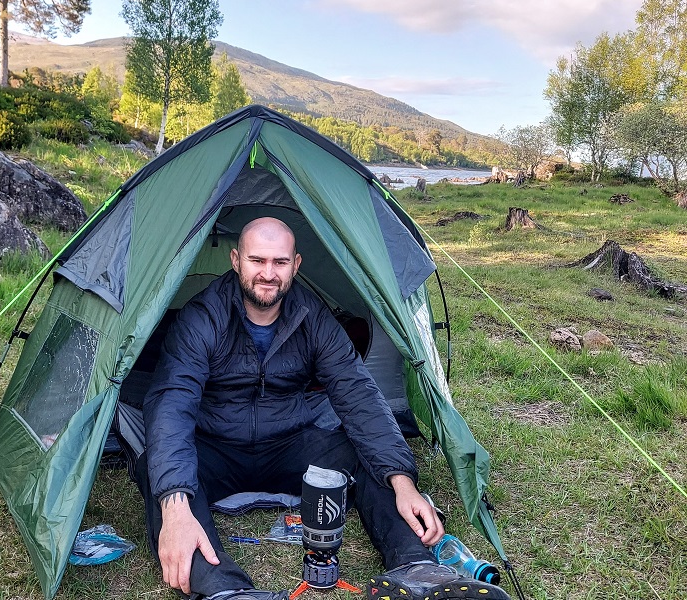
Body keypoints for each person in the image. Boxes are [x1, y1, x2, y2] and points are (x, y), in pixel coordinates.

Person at [137, 217, 510, 600]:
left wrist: (402, 480)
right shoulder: (202, 317)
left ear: (296, 265)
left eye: (280, 262)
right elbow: (172, 402)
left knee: (368, 457)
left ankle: (418, 570)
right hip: (216, 446)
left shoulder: (313, 317)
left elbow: (357, 393)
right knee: (163, 477)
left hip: (290, 444)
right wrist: (175, 505)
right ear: (236, 261)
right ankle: (227, 592)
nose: (268, 274)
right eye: (257, 260)